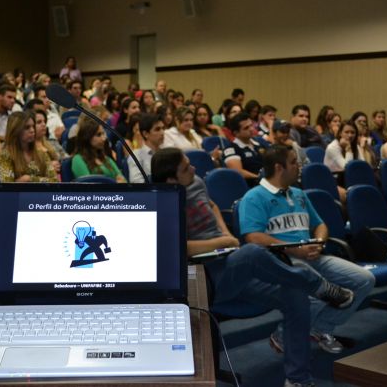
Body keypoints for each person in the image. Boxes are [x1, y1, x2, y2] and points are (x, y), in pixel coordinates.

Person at [151, 147, 355, 387]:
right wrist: (222, 242)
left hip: (229, 262)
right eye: (186, 168)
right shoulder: (160, 203)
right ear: (171, 180)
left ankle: (297, 379)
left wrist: (225, 234)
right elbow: (179, 249)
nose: (194, 169)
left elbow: (212, 205)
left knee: (295, 295)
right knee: (252, 252)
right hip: (204, 278)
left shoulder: (194, 182)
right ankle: (317, 284)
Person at [240, 145, 375, 354]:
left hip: (312, 256)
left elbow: (320, 225)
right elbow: (253, 237)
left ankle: (320, 328)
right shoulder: (254, 197)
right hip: (280, 261)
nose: (299, 167)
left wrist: (319, 242)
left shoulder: (298, 194)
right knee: (319, 291)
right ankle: (282, 336)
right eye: (294, 162)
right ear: (279, 168)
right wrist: (295, 250)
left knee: (364, 279)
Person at [0, 111, 58, 183]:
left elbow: (55, 181)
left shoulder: (41, 154)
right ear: (16, 130)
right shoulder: (6, 155)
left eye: (33, 126)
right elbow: (7, 185)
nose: (32, 130)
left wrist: (28, 179)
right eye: (27, 127)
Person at [71, 115, 126, 183]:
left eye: (103, 133)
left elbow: (123, 180)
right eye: (98, 135)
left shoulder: (105, 158)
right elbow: (89, 185)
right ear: (87, 137)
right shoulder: (78, 159)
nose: (103, 138)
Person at [221, 112, 264, 186]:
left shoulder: (259, 143)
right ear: (236, 133)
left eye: (251, 125)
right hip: (250, 186)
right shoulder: (231, 149)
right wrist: (260, 178)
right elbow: (237, 171)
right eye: (246, 128)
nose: (251, 129)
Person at [128, 114, 164, 183]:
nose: (162, 132)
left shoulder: (166, 153)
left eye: (163, 128)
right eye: (157, 129)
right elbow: (137, 183)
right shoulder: (136, 156)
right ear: (145, 134)